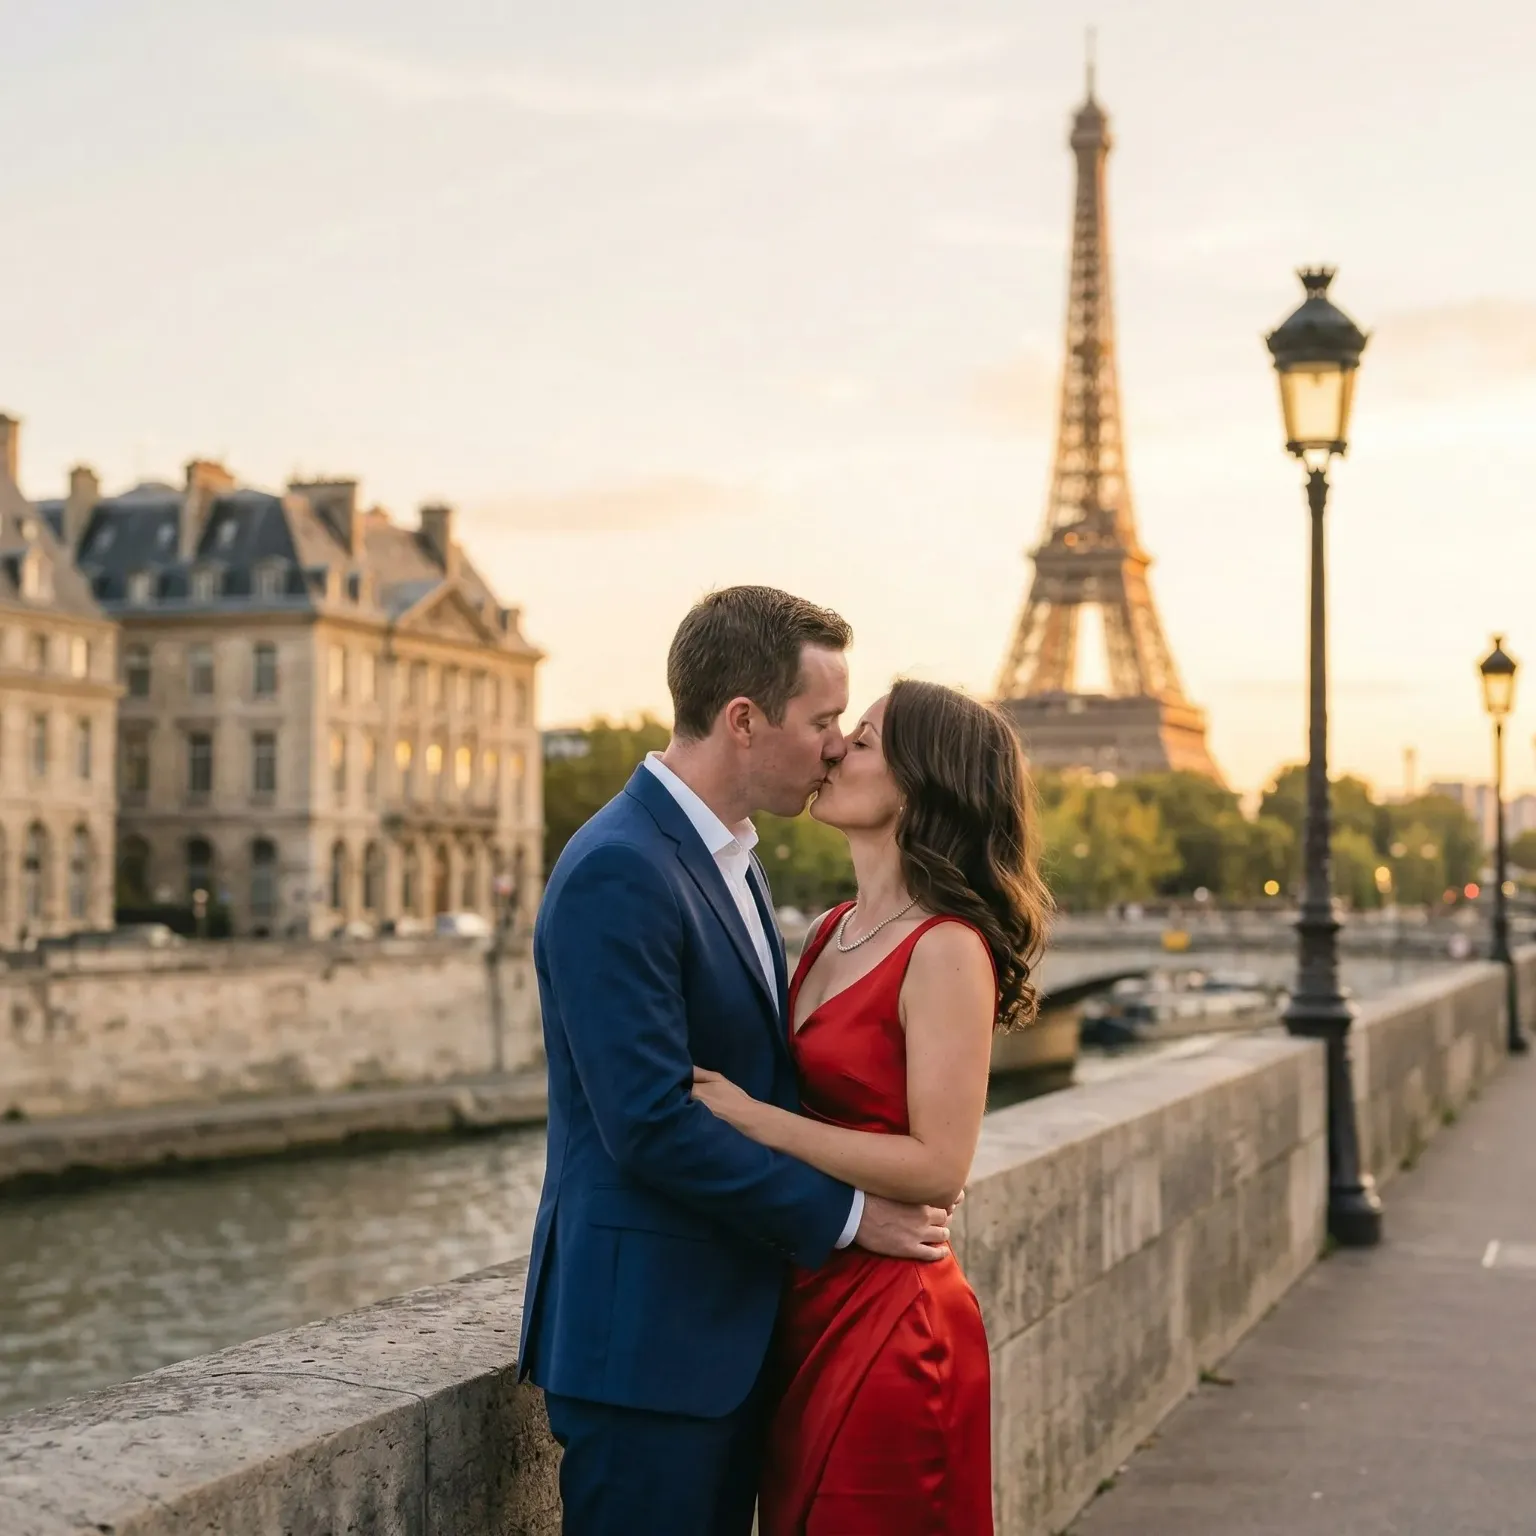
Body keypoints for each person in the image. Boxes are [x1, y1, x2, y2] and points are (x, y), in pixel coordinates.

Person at [518, 587, 955, 1536]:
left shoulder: (730, 858)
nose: (838, 745)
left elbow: (752, 1084)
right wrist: (845, 1217)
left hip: (724, 1338)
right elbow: (649, 1123)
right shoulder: (620, 868)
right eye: (825, 721)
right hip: (646, 1354)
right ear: (745, 721)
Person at [693, 679, 1051, 1534]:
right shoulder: (831, 929)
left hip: (893, 1320)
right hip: (806, 1301)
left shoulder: (947, 948)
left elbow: (939, 1165)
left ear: (921, 783)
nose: (833, 750)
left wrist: (754, 1119)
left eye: (863, 740)